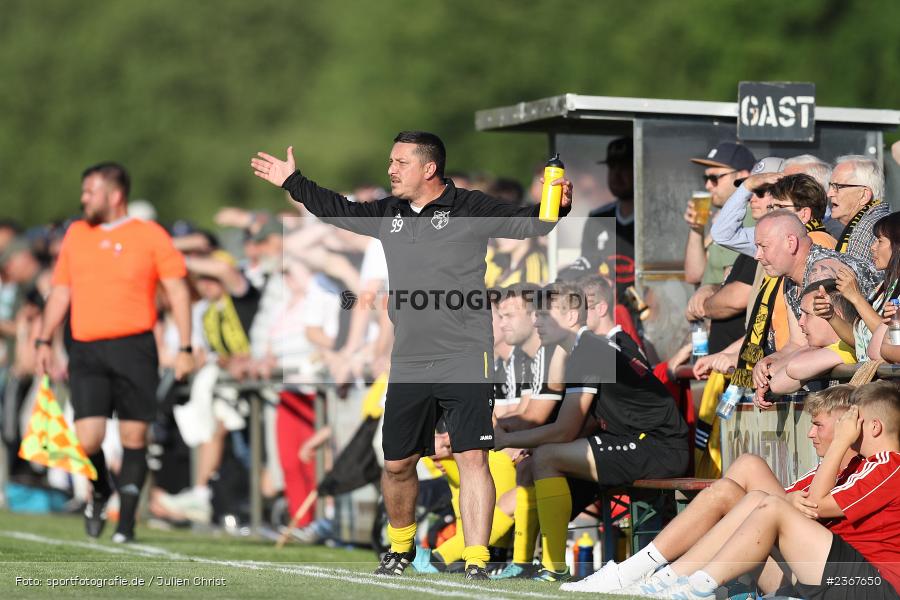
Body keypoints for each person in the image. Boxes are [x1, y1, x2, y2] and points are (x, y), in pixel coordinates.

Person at [250, 131, 572, 580]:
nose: (391, 170)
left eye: (400, 162)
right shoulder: (390, 212)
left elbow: (536, 222)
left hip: (465, 354)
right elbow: (337, 210)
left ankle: (476, 558)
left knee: (470, 456)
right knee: (397, 462)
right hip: (410, 358)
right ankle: (401, 549)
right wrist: (294, 182)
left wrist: (559, 202)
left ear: (429, 168)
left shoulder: (470, 207)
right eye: (391, 161)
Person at [563, 384, 862, 594]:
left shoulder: (865, 470)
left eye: (818, 425)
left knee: (754, 497)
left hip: (813, 579)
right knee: (746, 467)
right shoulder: (826, 469)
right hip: (793, 565)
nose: (810, 432)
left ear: (847, 429)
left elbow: (814, 513)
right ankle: (653, 575)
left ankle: (655, 577)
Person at [35, 162, 194, 543]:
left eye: (90, 192)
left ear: (115, 194)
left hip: (134, 347)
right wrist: (43, 338)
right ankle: (101, 488)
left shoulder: (150, 235)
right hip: (87, 347)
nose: (83, 199)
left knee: (134, 436)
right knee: (87, 439)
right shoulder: (76, 234)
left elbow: (177, 291)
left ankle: (126, 525)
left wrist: (186, 347)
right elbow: (60, 291)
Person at [493, 283, 689, 582]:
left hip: (657, 446)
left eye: (544, 315)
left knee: (546, 457)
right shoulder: (582, 348)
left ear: (571, 317)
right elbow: (580, 423)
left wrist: (507, 439)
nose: (536, 322)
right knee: (541, 458)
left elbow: (564, 430)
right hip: (636, 441)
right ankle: (539, 564)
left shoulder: (589, 351)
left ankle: (553, 567)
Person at [634, 380, 900, 600]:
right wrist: (789, 503)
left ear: (874, 427)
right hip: (836, 576)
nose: (848, 429)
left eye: (853, 423)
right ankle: (668, 579)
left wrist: (841, 441)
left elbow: (814, 504)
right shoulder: (866, 464)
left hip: (872, 586)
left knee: (771, 505)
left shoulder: (890, 465)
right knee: (759, 498)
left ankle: (694, 587)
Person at [752, 211, 879, 407]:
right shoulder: (790, 279)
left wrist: (776, 374)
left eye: (763, 247)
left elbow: (827, 342)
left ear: (791, 243)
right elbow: (797, 343)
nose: (757, 255)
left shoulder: (823, 271)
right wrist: (767, 364)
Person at [829, 155, 890, 261]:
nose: (829, 194)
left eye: (838, 187)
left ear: (864, 195)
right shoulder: (882, 219)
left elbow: (852, 275)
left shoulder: (866, 227)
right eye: (830, 186)